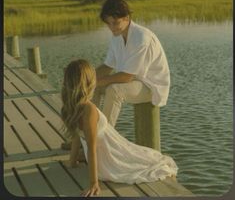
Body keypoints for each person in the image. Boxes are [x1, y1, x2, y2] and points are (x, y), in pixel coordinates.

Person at [61, 59, 178, 197]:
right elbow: (92, 147)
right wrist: (94, 183)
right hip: (110, 157)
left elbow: (77, 136)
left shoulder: (71, 106)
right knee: (155, 162)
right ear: (88, 83)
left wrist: (72, 162)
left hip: (106, 156)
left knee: (151, 157)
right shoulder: (89, 110)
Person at [94, 0, 170, 127]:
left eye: (116, 23)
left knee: (114, 90)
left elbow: (127, 76)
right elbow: (107, 66)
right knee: (90, 88)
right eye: (109, 23)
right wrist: (86, 78)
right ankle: (85, 135)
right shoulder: (116, 37)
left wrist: (96, 81)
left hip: (151, 86)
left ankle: (104, 139)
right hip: (133, 82)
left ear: (127, 18)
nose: (112, 27)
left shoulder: (142, 38)